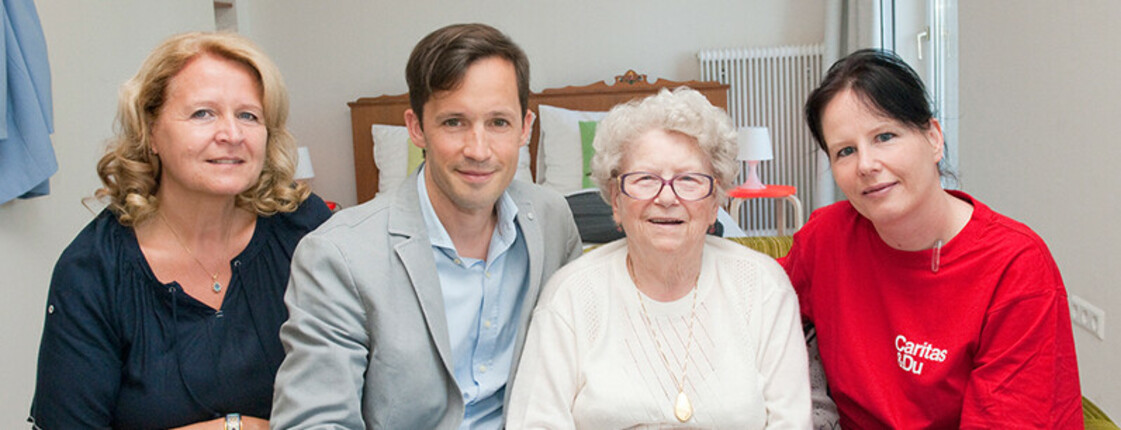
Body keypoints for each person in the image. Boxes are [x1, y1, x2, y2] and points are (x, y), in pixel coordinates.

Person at [270, 23, 582, 429]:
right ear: (417, 127)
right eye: (454, 122)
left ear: (525, 128)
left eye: (498, 123)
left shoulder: (553, 218)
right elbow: (313, 421)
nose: (478, 150)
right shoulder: (337, 255)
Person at [29, 32, 330, 429]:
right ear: (150, 132)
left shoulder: (300, 224)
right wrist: (235, 427)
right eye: (203, 113)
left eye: (248, 115)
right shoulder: (92, 270)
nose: (232, 135)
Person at [783, 49, 1083, 428]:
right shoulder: (825, 238)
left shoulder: (1015, 265)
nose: (866, 165)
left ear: (934, 138)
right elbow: (748, 304)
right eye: (845, 151)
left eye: (885, 136)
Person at [507, 87, 812, 429]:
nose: (666, 197)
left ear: (715, 202)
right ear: (615, 199)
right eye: (645, 179)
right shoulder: (570, 295)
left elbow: (791, 422)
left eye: (689, 180)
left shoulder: (764, 286)